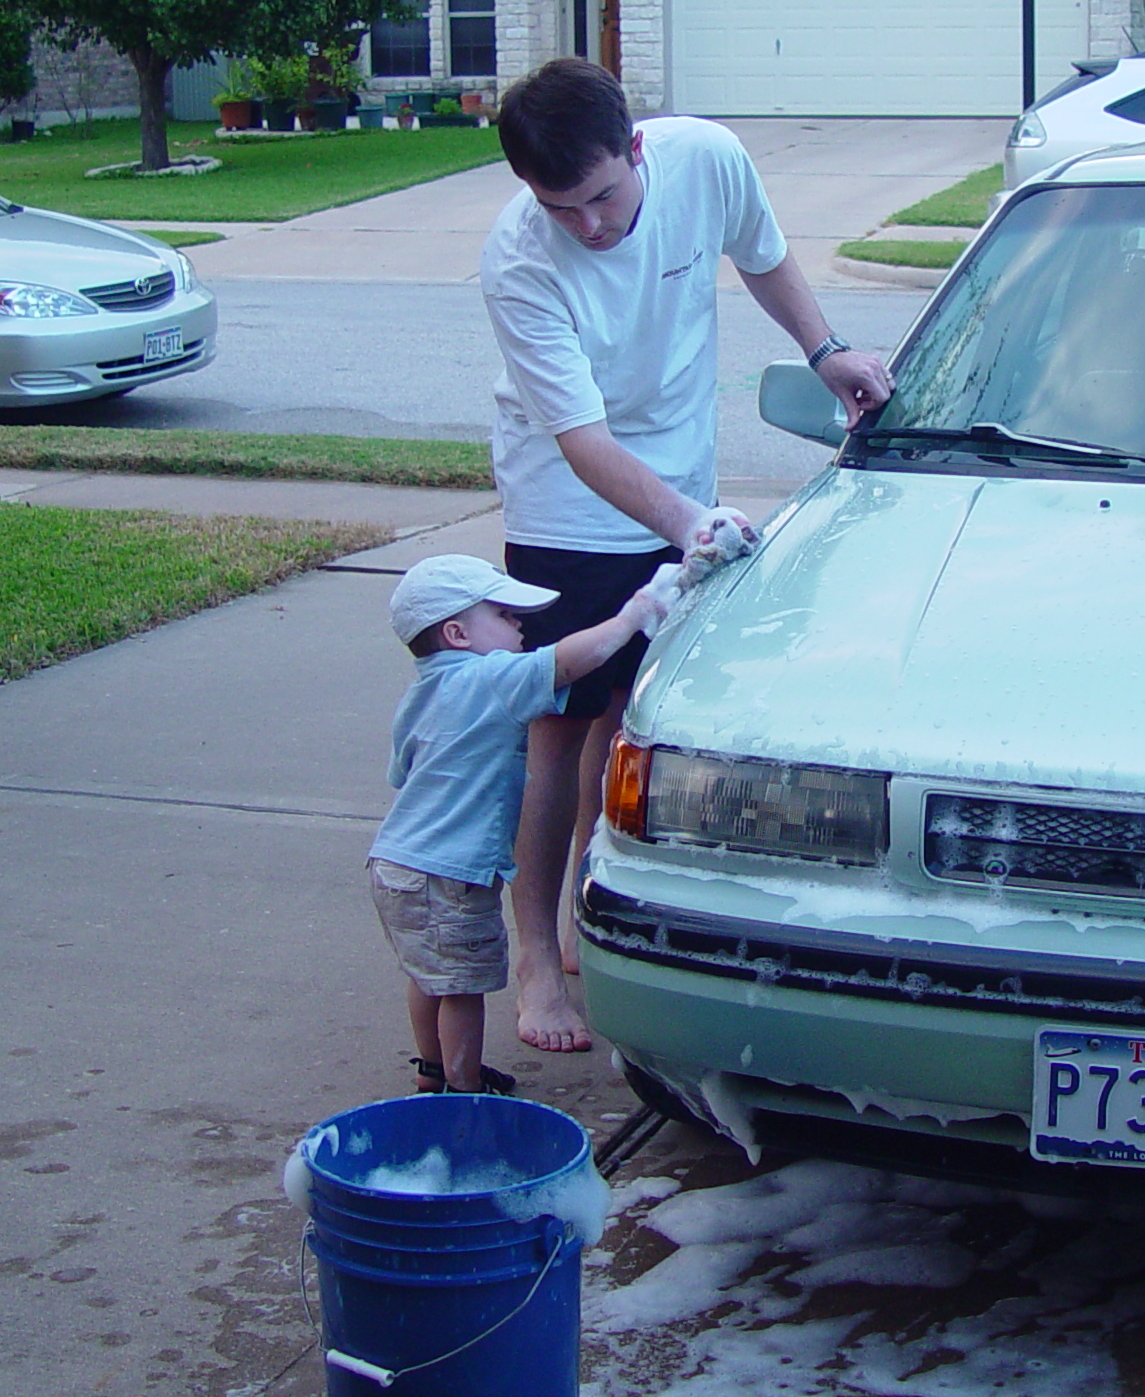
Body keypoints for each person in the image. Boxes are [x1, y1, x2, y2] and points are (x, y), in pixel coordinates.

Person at [481, 57, 892, 1051]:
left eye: (601, 198)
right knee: (554, 726)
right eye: (558, 206)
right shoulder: (519, 260)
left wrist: (824, 347)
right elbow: (581, 443)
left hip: (675, 479)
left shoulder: (704, 158)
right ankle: (534, 957)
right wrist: (683, 524)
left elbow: (761, 254)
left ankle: (589, 885)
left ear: (635, 148)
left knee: (631, 712)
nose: (586, 224)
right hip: (565, 507)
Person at [369, 553, 671, 1095]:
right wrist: (633, 616)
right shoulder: (490, 678)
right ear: (458, 633)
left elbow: (402, 772)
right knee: (463, 989)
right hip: (452, 876)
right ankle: (463, 1091)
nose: (520, 624)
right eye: (504, 615)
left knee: (430, 975)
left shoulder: (421, 693)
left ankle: (433, 1071)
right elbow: (567, 662)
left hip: (395, 863)